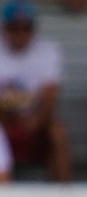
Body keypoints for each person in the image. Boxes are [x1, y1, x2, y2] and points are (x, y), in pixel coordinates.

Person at [0, 0, 69, 182]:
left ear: (34, 28)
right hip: (4, 121)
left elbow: (50, 97)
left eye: (26, 28)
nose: (20, 33)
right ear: (4, 27)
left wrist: (39, 119)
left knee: (57, 132)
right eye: (15, 27)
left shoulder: (48, 49)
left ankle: (65, 196)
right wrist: (11, 115)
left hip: (36, 120)